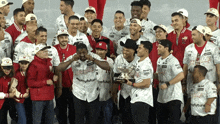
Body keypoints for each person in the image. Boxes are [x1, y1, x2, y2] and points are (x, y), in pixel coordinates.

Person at [57, 43, 110, 124]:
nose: (82, 55)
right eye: (79, 53)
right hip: (78, 92)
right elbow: (59, 68)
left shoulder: (93, 56)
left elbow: (107, 66)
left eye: (84, 53)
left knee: (92, 118)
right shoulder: (73, 57)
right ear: (76, 52)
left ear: (87, 52)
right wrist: (71, 60)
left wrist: (93, 60)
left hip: (92, 91)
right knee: (79, 118)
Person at [182, 25, 220, 123]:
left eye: (194, 34)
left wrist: (219, 82)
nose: (192, 37)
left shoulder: (213, 48)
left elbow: (218, 67)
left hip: (210, 84)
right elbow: (185, 67)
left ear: (201, 34)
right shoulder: (188, 48)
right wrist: (184, 83)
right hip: (192, 85)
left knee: (210, 112)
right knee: (192, 112)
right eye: (191, 34)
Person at [154, 39, 184, 124]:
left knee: (173, 121)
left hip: (173, 96)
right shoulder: (159, 60)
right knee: (161, 120)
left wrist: (168, 83)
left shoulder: (173, 60)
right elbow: (158, 74)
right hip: (162, 96)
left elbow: (181, 75)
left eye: (160, 47)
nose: (157, 49)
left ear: (166, 48)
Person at [26, 44, 58, 124]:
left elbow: (49, 76)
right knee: (37, 120)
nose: (46, 53)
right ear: (37, 53)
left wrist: (53, 78)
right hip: (38, 98)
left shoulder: (49, 62)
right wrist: (45, 82)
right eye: (44, 51)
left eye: (47, 51)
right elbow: (30, 83)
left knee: (50, 120)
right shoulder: (33, 65)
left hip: (49, 96)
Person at [126, 41, 153, 124]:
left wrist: (132, 84)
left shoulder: (146, 65)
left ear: (146, 50)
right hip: (135, 97)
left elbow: (146, 83)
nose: (137, 50)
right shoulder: (139, 62)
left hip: (142, 98)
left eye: (140, 48)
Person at [113, 39, 139, 124]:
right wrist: (114, 92)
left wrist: (126, 78)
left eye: (127, 50)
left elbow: (141, 79)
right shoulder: (119, 58)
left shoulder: (140, 60)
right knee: (124, 117)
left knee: (135, 118)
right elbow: (116, 76)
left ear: (134, 51)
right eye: (124, 49)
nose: (124, 52)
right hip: (124, 93)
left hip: (136, 93)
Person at [54, 29, 76, 124]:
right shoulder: (53, 49)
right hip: (59, 85)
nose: (64, 39)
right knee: (61, 111)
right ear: (58, 38)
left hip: (72, 85)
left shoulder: (74, 48)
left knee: (73, 110)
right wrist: (58, 86)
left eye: (66, 37)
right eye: (62, 37)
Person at [148, 24, 168, 124]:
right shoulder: (151, 46)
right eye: (156, 31)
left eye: (160, 31)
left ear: (166, 33)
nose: (158, 33)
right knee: (152, 111)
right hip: (153, 84)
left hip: (166, 84)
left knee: (163, 113)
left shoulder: (170, 45)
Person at [95, 42, 114, 124]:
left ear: (106, 51)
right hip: (95, 90)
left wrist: (114, 90)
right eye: (98, 49)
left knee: (107, 116)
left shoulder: (110, 61)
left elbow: (113, 77)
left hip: (107, 88)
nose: (99, 52)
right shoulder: (92, 60)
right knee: (95, 117)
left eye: (102, 50)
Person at [13, 55, 30, 124]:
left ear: (29, 64)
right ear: (19, 63)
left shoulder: (31, 73)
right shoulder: (16, 75)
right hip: (19, 99)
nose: (23, 65)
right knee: (22, 120)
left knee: (30, 118)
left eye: (25, 63)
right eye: (21, 63)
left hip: (30, 99)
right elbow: (12, 88)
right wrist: (21, 95)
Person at [0, 57, 16, 124]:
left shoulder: (12, 77)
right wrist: (8, 95)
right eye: (4, 68)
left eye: (9, 68)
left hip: (10, 102)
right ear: (1, 67)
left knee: (14, 117)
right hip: (2, 102)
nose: (7, 70)